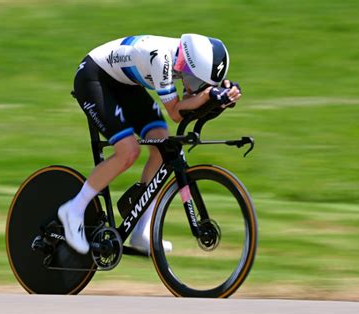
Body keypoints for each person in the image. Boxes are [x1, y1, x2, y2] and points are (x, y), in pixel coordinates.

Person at [58, 34, 242, 255]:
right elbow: (176, 112)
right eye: (196, 82)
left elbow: (192, 99)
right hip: (94, 78)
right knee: (128, 152)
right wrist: (208, 95)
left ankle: (141, 230)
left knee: (161, 143)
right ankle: (73, 209)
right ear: (189, 67)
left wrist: (222, 95)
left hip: (124, 84)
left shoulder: (186, 60)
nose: (194, 87)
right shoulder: (160, 59)